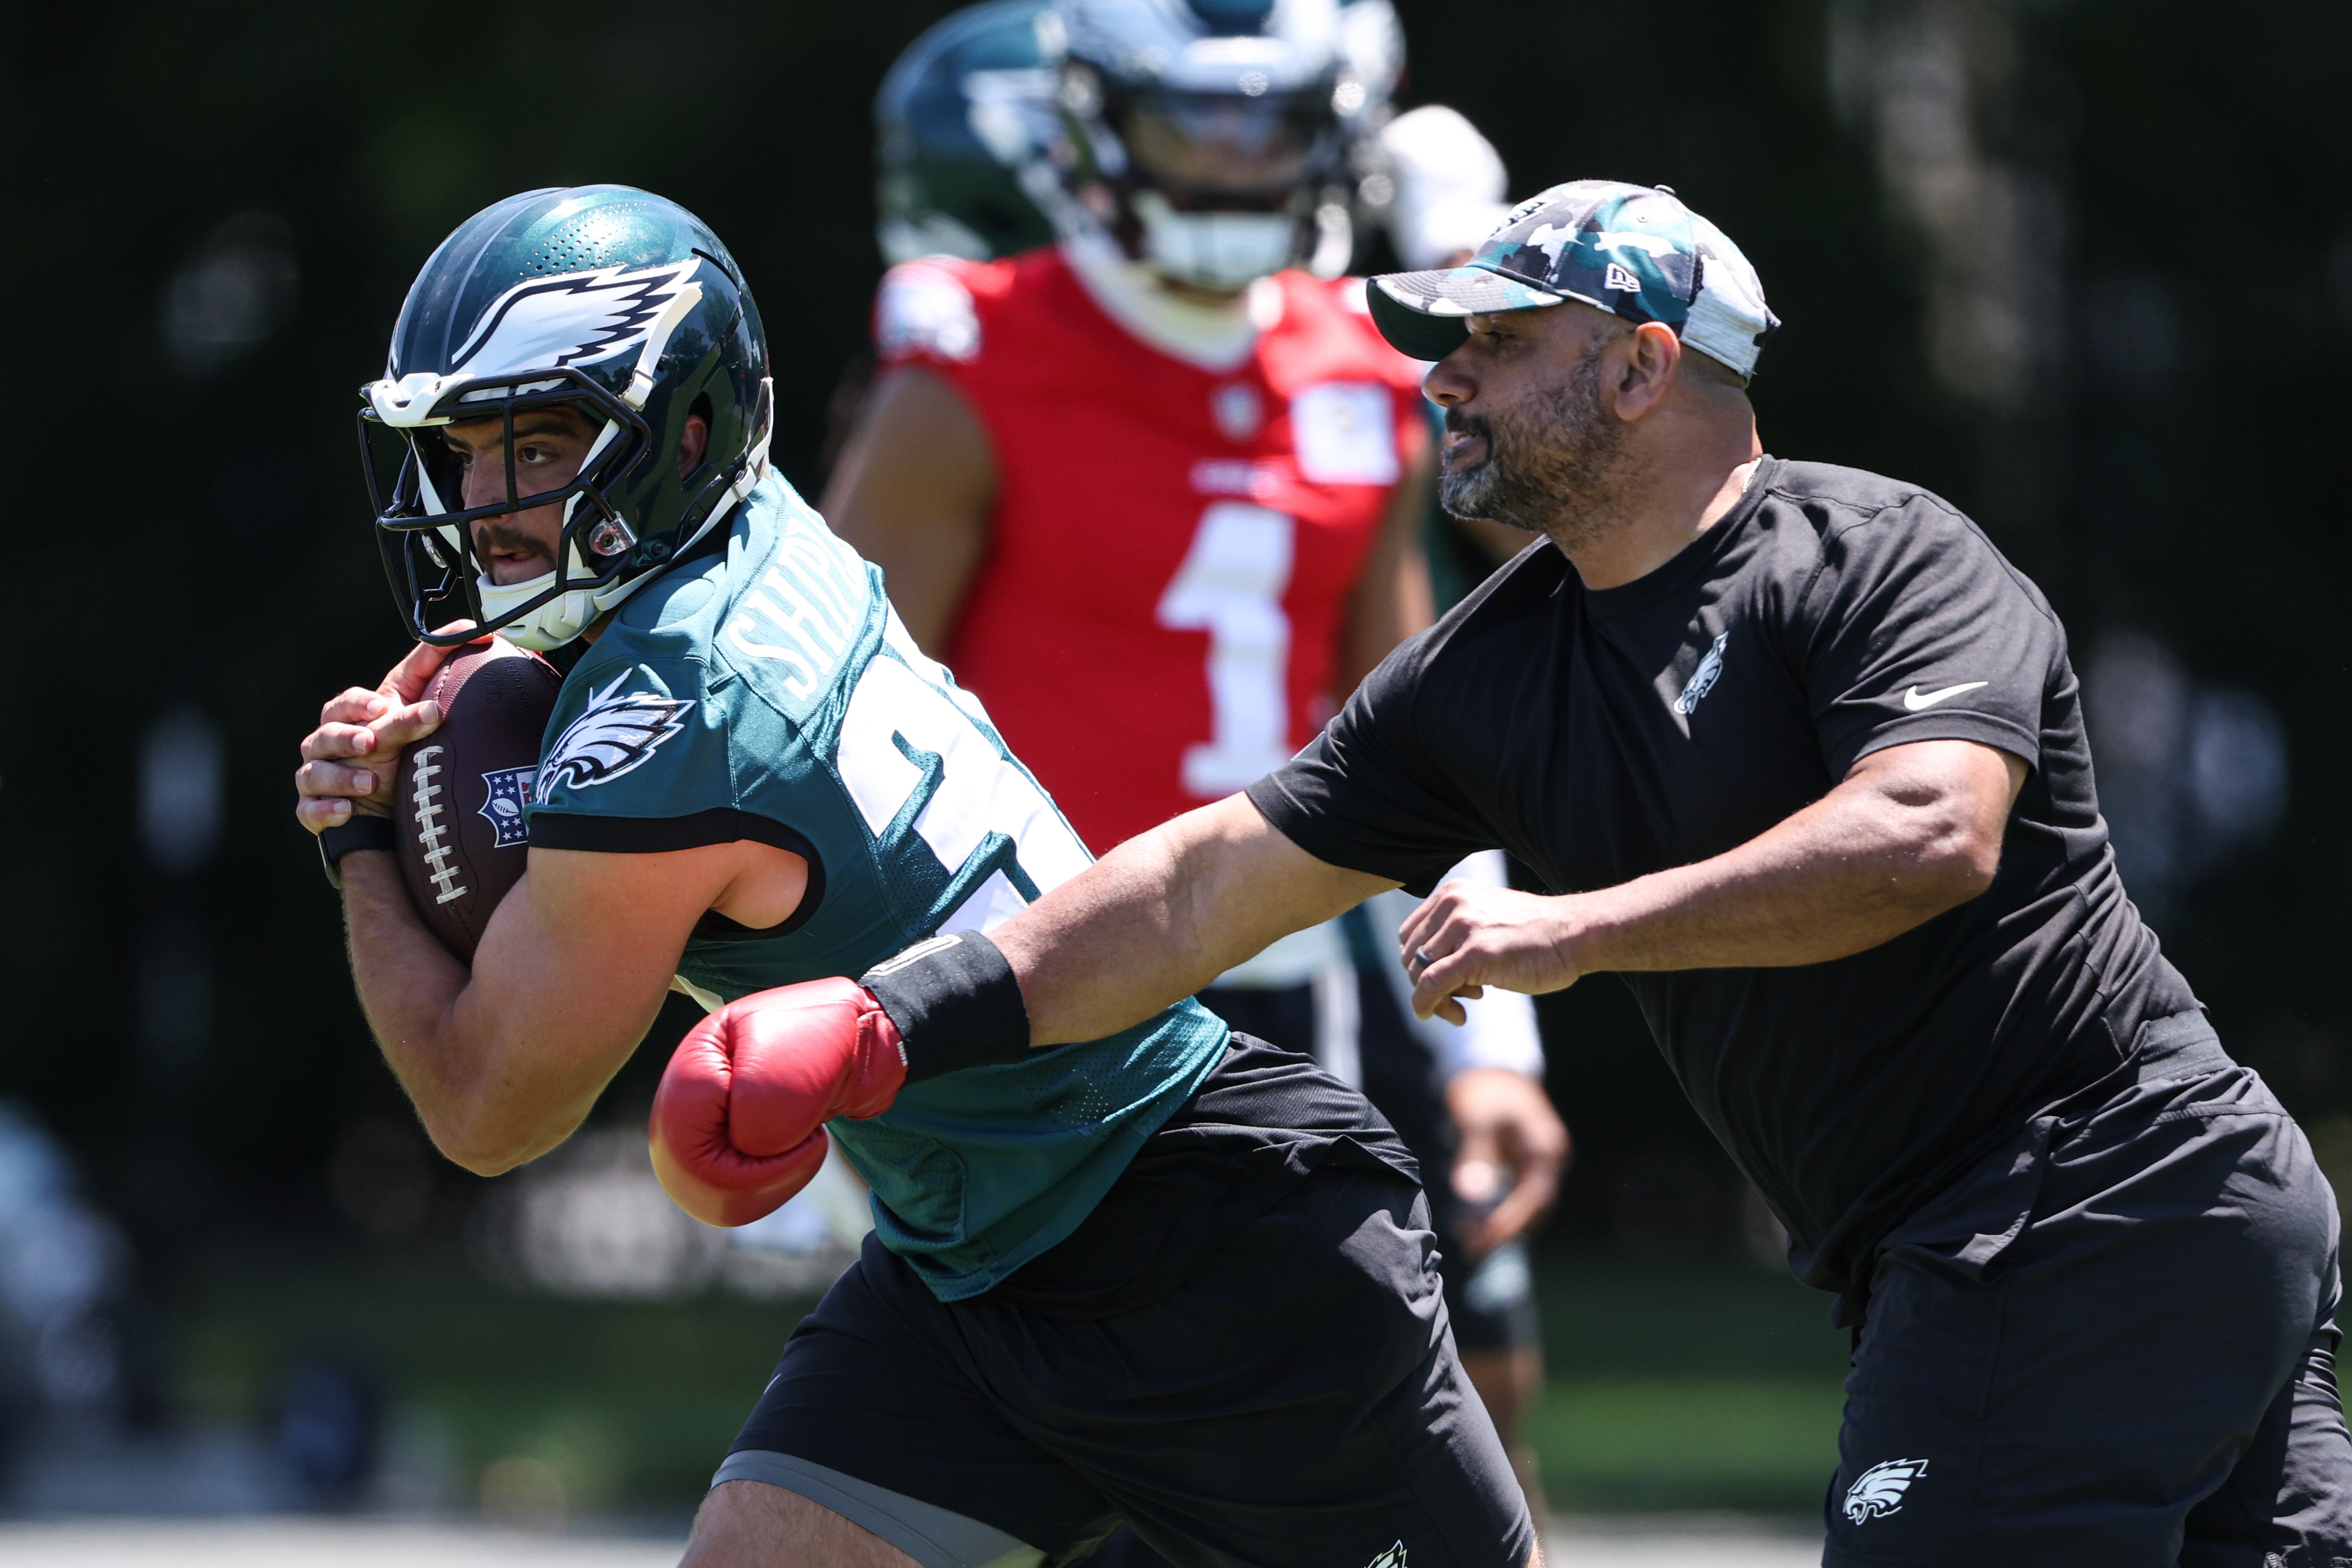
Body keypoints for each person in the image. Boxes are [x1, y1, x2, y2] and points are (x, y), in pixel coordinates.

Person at [709, 180, 2352, 1564]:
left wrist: (1575, 928)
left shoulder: (1877, 555)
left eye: (1497, 341)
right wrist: (890, 1022)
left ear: (1642, 366)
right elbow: (1204, 885)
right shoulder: (1490, 669)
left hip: (2090, 1198)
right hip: (2033, 1235)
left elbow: (1927, 832)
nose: (1444, 377)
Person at [294, 183, 1537, 1568]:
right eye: (460, 449)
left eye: (536, 443)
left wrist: (360, 844)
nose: (483, 501)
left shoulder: (669, 718)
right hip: (974, 1252)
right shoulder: (759, 528)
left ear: (684, 432)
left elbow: (486, 1106)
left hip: (1196, 1240)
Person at [830, 0, 1567, 1503]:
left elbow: (1415, 740)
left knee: (1445, 1408)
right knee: (1052, 1459)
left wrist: (1491, 1043)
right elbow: (836, 737)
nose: (1234, 161)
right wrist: (842, 1018)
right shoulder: (974, 360)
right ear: (1095, 119)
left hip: (1292, 986)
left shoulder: (1362, 368)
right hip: (1035, 989)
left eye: (1271, 122)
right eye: (1193, 119)